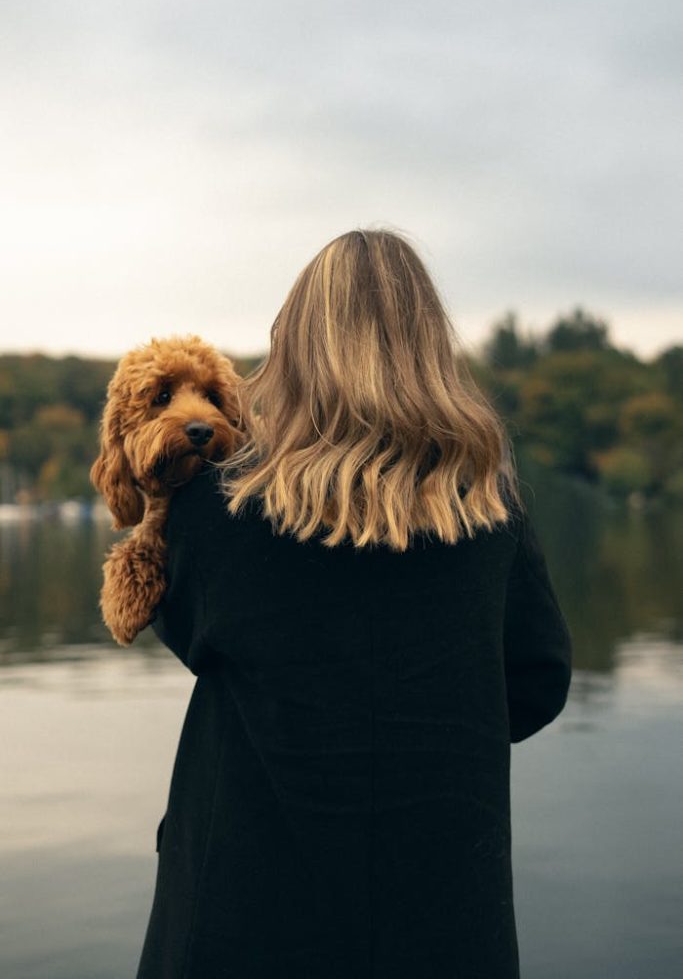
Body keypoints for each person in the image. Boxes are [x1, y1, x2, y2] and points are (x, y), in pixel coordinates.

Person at [135, 229, 572, 979]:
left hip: (243, 918)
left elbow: (183, 630)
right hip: (443, 918)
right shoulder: (489, 511)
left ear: (291, 351)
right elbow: (535, 681)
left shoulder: (214, 508)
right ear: (430, 350)